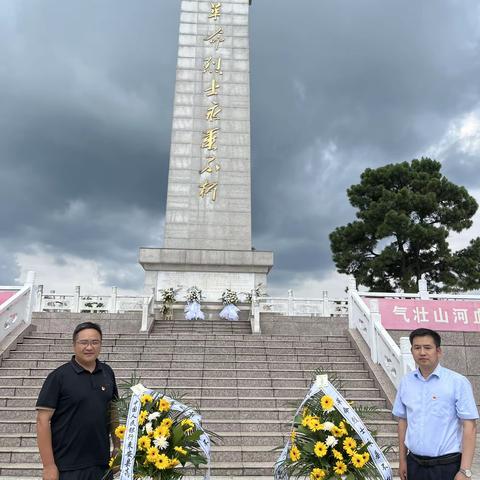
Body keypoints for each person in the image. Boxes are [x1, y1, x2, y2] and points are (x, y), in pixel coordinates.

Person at [36, 322, 120, 480]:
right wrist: (48, 465)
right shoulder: (58, 377)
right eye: (84, 342)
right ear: (74, 345)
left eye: (95, 342)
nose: (89, 347)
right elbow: (42, 420)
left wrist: (117, 447)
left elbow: (113, 411)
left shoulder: (107, 373)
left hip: (101, 465)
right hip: (67, 467)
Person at [392, 327, 478, 480]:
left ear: (438, 351)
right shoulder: (406, 382)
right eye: (417, 348)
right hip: (414, 465)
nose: (422, 352)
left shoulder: (457, 382)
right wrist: (402, 460)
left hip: (446, 467)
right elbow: (403, 422)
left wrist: (465, 470)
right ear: (411, 351)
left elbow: (469, 426)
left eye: (427, 347)